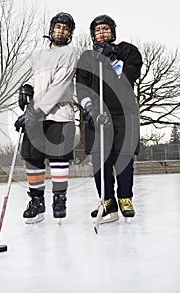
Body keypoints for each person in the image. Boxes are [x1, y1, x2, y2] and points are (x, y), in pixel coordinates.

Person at [76, 15, 142, 223]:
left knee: (123, 158)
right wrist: (89, 108)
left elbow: (128, 76)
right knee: (100, 160)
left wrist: (112, 59)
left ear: (113, 31)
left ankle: (125, 198)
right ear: (92, 35)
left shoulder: (127, 51)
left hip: (124, 113)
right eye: (98, 30)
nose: (102, 33)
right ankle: (107, 202)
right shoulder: (87, 58)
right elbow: (81, 85)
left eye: (105, 29)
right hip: (98, 115)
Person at [15, 12, 78, 224]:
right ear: (51, 29)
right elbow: (36, 81)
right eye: (58, 27)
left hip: (60, 115)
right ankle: (36, 201)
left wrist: (34, 112)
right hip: (37, 115)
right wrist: (26, 88)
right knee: (32, 158)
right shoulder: (38, 54)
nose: (61, 31)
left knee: (59, 158)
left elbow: (58, 87)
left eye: (65, 28)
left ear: (70, 33)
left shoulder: (69, 53)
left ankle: (59, 199)